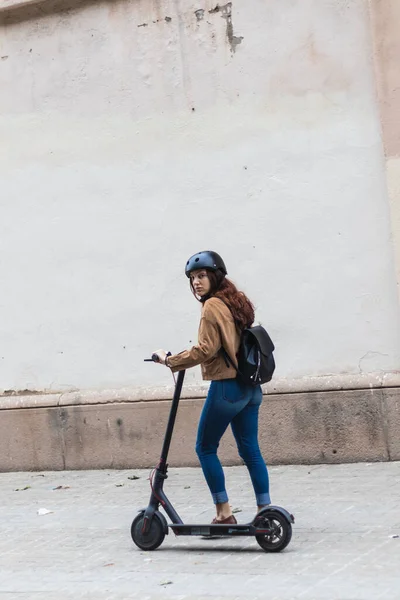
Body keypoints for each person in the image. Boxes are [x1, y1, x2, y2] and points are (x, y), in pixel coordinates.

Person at [153, 251, 271, 525]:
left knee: (205, 447)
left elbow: (206, 349)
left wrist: (171, 361)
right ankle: (265, 509)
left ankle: (223, 513)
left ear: (215, 276)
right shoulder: (236, 301)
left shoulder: (211, 306)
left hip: (227, 389)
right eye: (193, 278)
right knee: (250, 450)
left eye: (202, 276)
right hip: (250, 388)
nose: (196, 282)